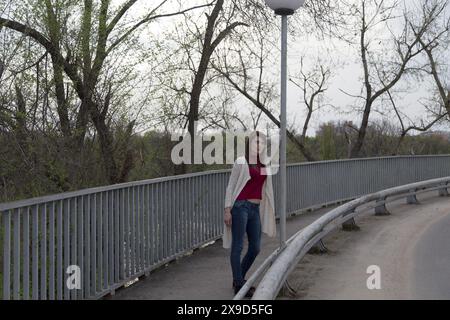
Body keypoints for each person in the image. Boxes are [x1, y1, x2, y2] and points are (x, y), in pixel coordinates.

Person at [223, 131, 277, 298]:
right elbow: (231, 186)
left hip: (255, 208)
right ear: (249, 144)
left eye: (261, 143)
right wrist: (227, 210)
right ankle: (239, 284)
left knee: (255, 247)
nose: (258, 146)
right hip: (241, 206)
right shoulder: (241, 162)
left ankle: (238, 278)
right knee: (238, 246)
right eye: (255, 143)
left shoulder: (263, 164)